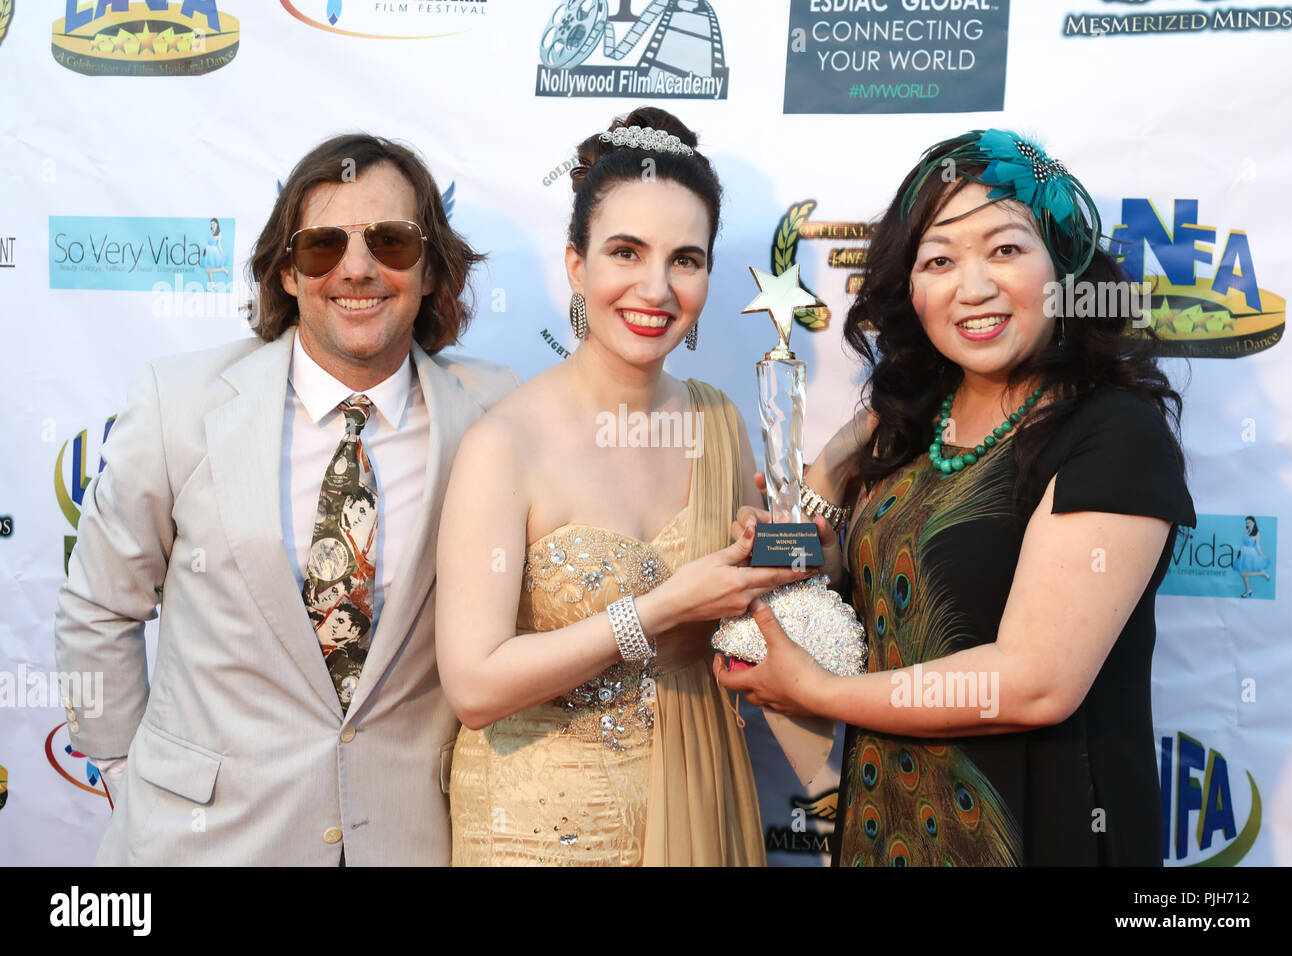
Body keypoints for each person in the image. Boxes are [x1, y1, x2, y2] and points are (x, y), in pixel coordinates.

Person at [717, 129, 1196, 866]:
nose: (972, 287)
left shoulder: (1111, 433)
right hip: (887, 831)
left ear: (1063, 267)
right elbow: (821, 564)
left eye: (1005, 250)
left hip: (1044, 834)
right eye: (939, 260)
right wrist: (785, 524)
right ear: (910, 287)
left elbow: (1037, 683)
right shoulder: (914, 421)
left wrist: (815, 692)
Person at [54, 133, 519, 866]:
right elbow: (99, 608)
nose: (358, 268)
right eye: (323, 245)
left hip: (414, 840)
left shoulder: (498, 414)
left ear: (431, 270)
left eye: (392, 242)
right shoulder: (179, 406)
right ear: (287, 273)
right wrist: (128, 778)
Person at [436, 107, 808, 866]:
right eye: (626, 252)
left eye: (685, 259)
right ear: (576, 265)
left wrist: (780, 558)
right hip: (538, 827)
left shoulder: (719, 423)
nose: (656, 287)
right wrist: (661, 608)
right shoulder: (503, 444)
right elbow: (473, 687)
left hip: (699, 794)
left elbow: (738, 626)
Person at [1233, 515, 1271, 597]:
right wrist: (1239, 549)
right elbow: (1244, 543)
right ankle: (1248, 590)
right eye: (1247, 522)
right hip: (1243, 553)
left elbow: (1258, 545)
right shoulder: (1246, 531)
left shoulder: (1257, 533)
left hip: (1250, 554)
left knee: (1243, 573)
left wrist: (1262, 555)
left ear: (1253, 522)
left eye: (1249, 522)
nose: (1248, 524)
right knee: (1244, 573)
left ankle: (1262, 573)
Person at [201, 217, 229, 290]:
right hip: (208, 250)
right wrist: (205, 248)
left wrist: (222, 253)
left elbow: (219, 244)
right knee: (208, 269)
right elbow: (208, 242)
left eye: (213, 223)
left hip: (213, 251)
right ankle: (212, 284)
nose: (212, 225)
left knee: (208, 269)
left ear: (217, 224)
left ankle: (222, 270)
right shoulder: (211, 232)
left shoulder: (219, 233)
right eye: (211, 224)